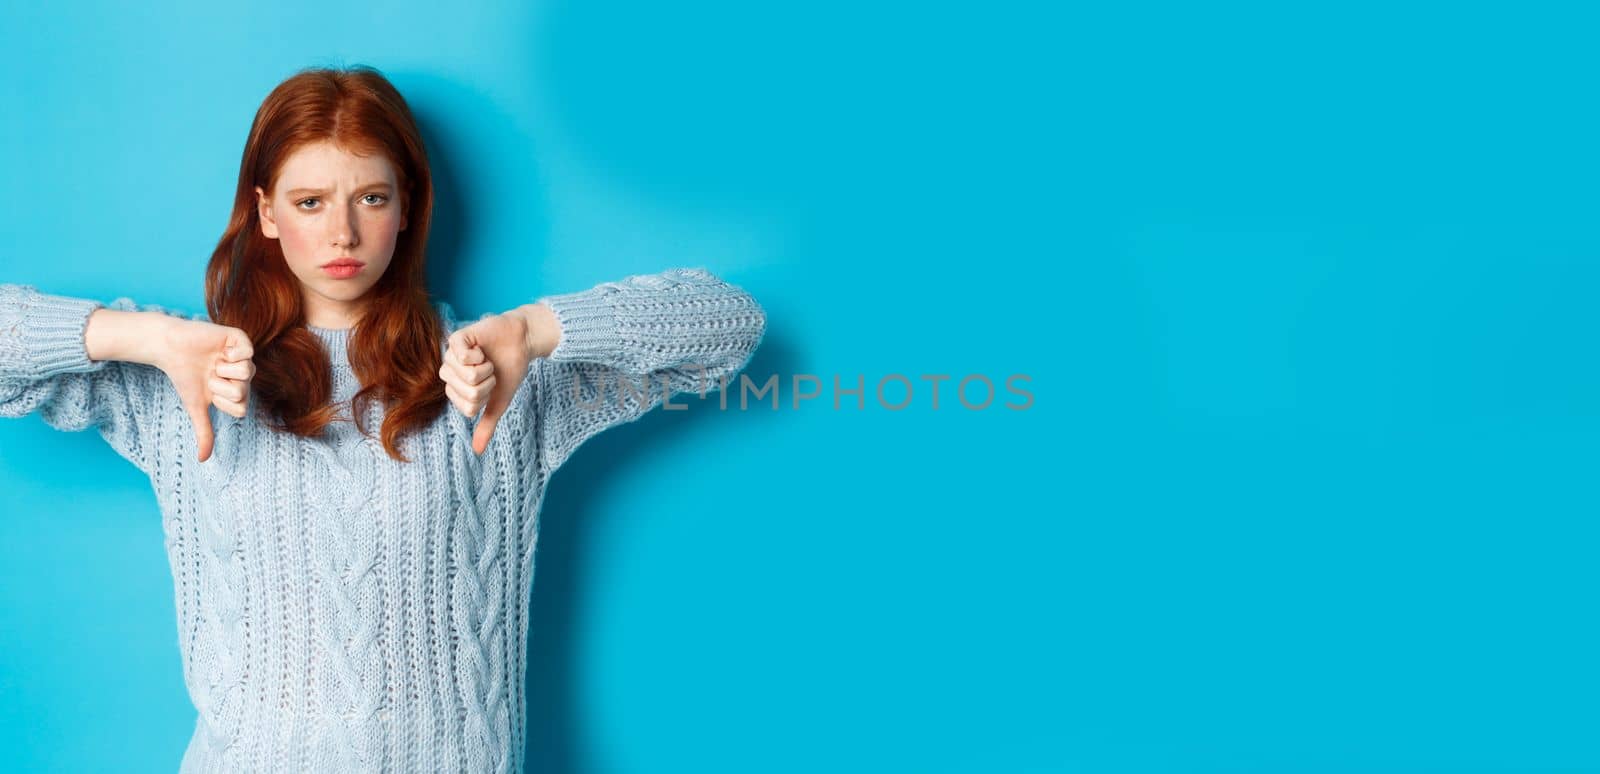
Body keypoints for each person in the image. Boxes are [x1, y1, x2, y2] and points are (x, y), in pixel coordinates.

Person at [0, 64, 766, 773]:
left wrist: (535, 332)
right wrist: (146, 337)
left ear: (407, 209)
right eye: (309, 203)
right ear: (265, 213)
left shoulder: (489, 372)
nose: (342, 235)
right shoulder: (190, 374)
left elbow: (729, 324)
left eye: (371, 197)